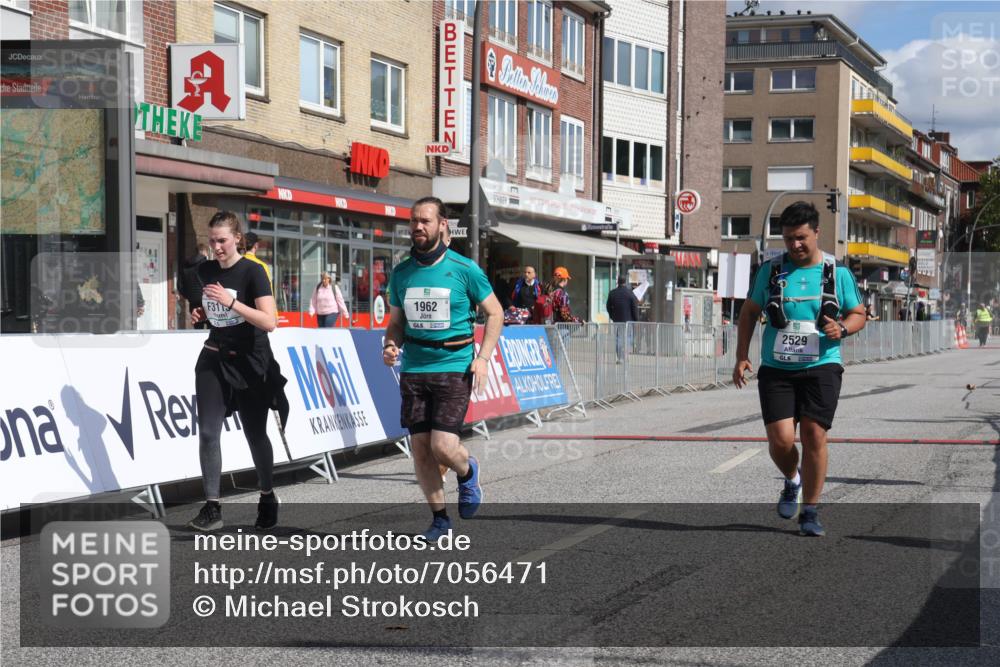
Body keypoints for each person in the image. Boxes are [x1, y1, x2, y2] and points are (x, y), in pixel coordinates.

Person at [732, 201, 865, 537]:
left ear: (817, 232)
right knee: (780, 440)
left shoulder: (838, 273)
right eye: (789, 238)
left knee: (814, 434)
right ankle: (792, 480)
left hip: (822, 364)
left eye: (801, 237)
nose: (795, 245)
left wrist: (844, 328)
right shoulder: (772, 271)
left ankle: (810, 510)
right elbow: (749, 312)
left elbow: (858, 314)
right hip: (777, 367)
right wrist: (741, 356)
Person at [382, 196, 504, 542]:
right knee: (420, 449)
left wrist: (482, 359)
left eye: (425, 221)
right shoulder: (402, 272)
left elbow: (495, 313)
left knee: (443, 447)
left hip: (453, 365)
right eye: (413, 221)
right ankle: (439, 520)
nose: (417, 227)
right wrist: (391, 345)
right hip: (414, 368)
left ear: (442, 225)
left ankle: (468, 471)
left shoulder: (464, 269)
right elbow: (396, 323)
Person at [187, 211, 289, 533]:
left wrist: (231, 304)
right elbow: (210, 312)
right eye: (212, 240)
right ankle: (213, 507)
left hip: (250, 361)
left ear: (237, 239)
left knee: (255, 434)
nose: (216, 247)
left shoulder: (253, 272)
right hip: (215, 356)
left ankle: (267, 495)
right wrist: (201, 313)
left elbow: (269, 322)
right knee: (207, 433)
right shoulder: (203, 271)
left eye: (222, 240)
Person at [606, 274, 639, 363]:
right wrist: (636, 320)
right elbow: (634, 308)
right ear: (626, 282)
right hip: (628, 320)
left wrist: (612, 316)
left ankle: (619, 357)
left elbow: (608, 306)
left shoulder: (612, 293)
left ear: (618, 282)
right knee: (627, 338)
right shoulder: (630, 293)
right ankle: (625, 356)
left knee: (618, 338)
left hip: (617, 320)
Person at [177, 243, 211, 329]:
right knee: (212, 331)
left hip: (193, 303)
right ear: (205, 252)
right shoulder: (207, 265)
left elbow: (180, 286)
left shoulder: (185, 266)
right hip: (208, 301)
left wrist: (189, 296)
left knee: (197, 330)